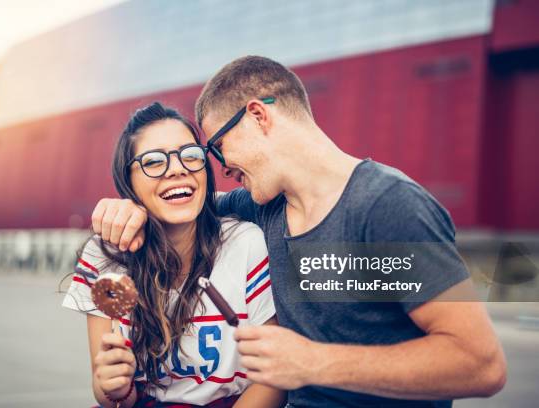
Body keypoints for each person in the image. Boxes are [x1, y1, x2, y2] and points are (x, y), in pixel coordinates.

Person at [90, 56, 507, 407]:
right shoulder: (262, 206)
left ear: (257, 115)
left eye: (216, 145)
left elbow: (480, 364)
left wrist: (313, 362)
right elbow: (183, 206)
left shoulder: (385, 206)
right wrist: (125, 208)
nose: (222, 166)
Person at [62, 102, 285, 408]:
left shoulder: (245, 243)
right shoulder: (106, 257)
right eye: (154, 162)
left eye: (191, 155)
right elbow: (108, 394)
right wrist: (116, 388)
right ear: (128, 181)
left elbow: (271, 380)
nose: (178, 168)